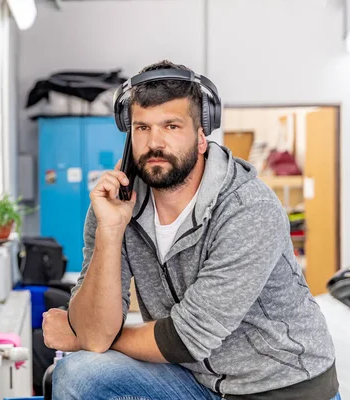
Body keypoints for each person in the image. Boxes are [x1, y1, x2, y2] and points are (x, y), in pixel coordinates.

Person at [41, 60, 340, 400]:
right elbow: (95, 334)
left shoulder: (247, 208)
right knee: (76, 374)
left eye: (171, 126)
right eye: (142, 128)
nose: (155, 142)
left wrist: (84, 337)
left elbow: (188, 337)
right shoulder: (116, 205)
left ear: (201, 137)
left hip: (283, 387)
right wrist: (110, 232)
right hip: (197, 382)